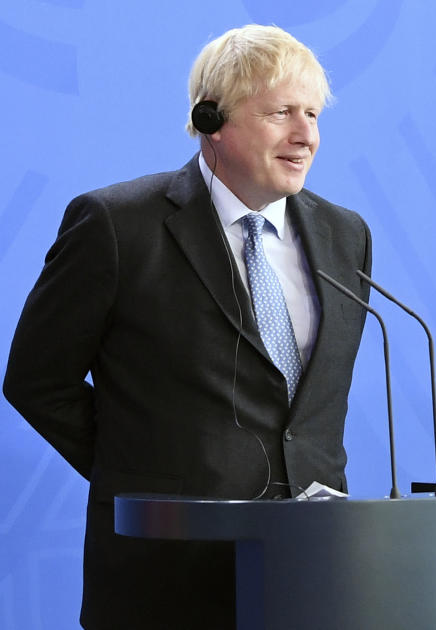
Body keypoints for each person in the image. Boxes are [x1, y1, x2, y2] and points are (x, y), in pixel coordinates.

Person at [3, 25, 372, 629]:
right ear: (211, 121)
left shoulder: (345, 235)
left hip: (310, 574)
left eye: (312, 114)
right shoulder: (117, 225)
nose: (306, 136)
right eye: (282, 113)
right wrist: (146, 471)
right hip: (164, 577)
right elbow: (36, 380)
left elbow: (310, 411)